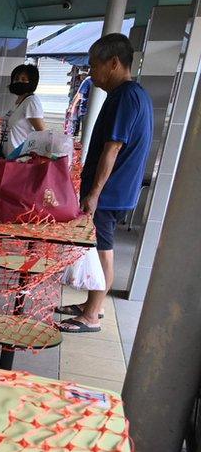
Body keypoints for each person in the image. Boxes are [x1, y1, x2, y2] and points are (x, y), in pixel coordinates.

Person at [57, 34, 153, 334]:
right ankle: (89, 305)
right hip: (116, 190)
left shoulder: (125, 96)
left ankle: (93, 314)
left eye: (94, 66)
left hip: (111, 193)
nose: (91, 73)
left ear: (113, 63)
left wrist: (95, 193)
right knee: (98, 246)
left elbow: (113, 148)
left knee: (102, 251)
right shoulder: (133, 94)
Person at [0, 64, 45, 158]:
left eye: (23, 79)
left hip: (20, 159)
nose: (19, 81)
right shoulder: (18, 101)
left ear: (32, 82)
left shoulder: (31, 101)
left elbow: (42, 132)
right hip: (8, 156)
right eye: (16, 79)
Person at [67, 72, 93, 137]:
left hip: (87, 112)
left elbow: (79, 94)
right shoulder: (89, 80)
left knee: (85, 134)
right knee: (85, 134)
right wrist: (72, 107)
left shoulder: (89, 80)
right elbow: (79, 94)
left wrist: (72, 107)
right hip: (85, 112)